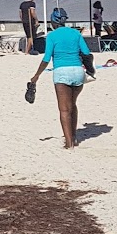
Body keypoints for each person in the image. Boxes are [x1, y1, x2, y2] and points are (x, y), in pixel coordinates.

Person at [28, 20, 92, 149]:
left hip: (62, 72)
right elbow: (86, 53)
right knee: (72, 104)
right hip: (78, 71)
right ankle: (73, 137)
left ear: (53, 24)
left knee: (64, 109)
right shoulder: (76, 33)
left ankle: (69, 144)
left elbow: (46, 58)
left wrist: (36, 75)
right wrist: (90, 69)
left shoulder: (52, 36)